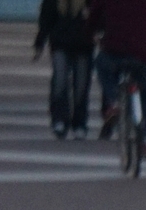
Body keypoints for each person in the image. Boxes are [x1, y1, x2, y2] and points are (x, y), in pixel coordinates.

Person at [89, 0, 146, 157]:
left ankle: (114, 100)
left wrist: (91, 33)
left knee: (101, 64)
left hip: (114, 50)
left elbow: (93, 15)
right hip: (144, 52)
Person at [34, 0, 92, 137]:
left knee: (81, 87)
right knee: (60, 82)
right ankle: (59, 119)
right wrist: (40, 42)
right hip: (60, 42)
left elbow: (99, 14)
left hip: (84, 45)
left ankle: (79, 123)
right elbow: (46, 18)